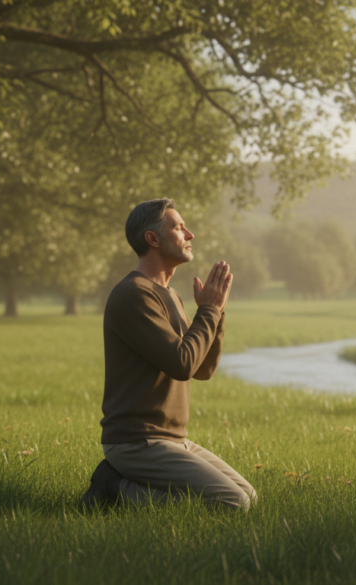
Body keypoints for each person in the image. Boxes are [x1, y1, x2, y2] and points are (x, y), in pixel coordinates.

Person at [80, 198, 257, 511]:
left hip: (173, 440)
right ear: (153, 239)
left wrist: (217, 313)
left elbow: (202, 368)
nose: (190, 235)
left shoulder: (171, 295)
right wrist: (209, 311)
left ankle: (122, 485)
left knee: (249, 497)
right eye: (179, 227)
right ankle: (116, 488)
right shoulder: (134, 294)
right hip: (137, 443)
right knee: (233, 503)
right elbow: (182, 364)